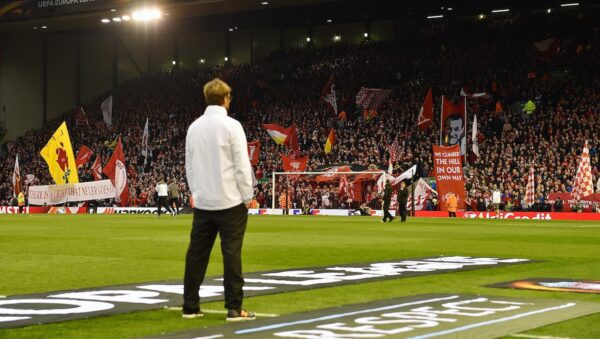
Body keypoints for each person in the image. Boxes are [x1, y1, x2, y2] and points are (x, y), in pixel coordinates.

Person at [183, 78, 255, 321]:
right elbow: (241, 166)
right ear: (226, 99)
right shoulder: (232, 126)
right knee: (231, 254)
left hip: (204, 203)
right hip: (230, 202)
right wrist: (248, 196)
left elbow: (189, 167)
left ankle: (190, 306)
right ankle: (234, 308)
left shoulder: (194, 127)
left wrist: (197, 193)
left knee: (196, 255)